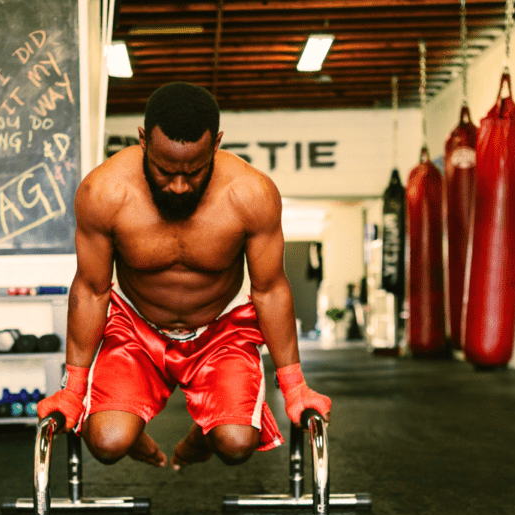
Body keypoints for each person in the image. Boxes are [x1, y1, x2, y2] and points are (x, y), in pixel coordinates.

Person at [38, 82, 331, 471]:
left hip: (220, 332)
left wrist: (294, 386)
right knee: (107, 443)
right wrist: (72, 390)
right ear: (143, 140)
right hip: (136, 333)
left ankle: (210, 431)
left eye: (194, 171)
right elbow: (91, 291)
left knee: (236, 442)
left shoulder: (251, 194)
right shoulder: (104, 191)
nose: (178, 185)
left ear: (217, 144)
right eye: (164, 170)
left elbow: (270, 289)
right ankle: (130, 429)